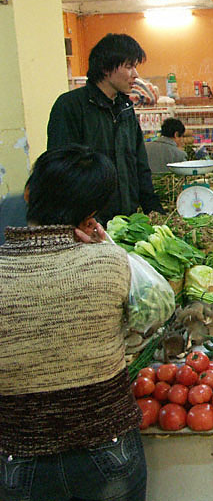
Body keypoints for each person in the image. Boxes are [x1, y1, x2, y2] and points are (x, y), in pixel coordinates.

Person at [0, 146, 146, 501]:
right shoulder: (110, 263)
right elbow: (153, 314)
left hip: (20, 456)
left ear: (29, 195)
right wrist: (103, 244)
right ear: (91, 215)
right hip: (107, 450)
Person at [47, 33, 163, 224]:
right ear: (105, 68)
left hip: (125, 221)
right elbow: (60, 170)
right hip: (87, 223)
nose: (135, 75)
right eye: (129, 66)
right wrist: (80, 219)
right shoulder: (71, 106)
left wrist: (154, 210)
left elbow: (140, 165)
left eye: (135, 66)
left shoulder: (125, 109)